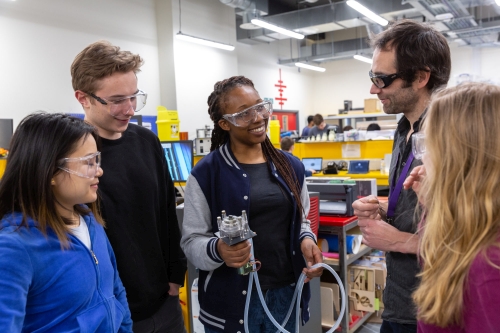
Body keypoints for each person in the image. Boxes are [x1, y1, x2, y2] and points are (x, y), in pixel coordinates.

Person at [180, 76, 322, 333]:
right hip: (231, 302)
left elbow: (302, 220)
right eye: (243, 114)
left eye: (259, 106)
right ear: (225, 124)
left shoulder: (291, 166)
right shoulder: (206, 174)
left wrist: (306, 239)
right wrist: (219, 250)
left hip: (285, 293)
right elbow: (191, 242)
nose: (257, 118)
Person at [71, 41, 187, 333]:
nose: (129, 109)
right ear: (83, 98)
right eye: (116, 100)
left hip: (164, 301)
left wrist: (176, 276)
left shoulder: (146, 141)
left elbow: (166, 213)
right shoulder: (70, 157)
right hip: (110, 311)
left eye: (134, 97)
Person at [351, 19, 451, 333]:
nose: (373, 88)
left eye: (382, 79)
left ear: (421, 77)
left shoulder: (453, 138)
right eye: (372, 76)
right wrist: (385, 209)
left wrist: (402, 241)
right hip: (398, 299)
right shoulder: (403, 128)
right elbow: (424, 209)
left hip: (435, 308)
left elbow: (477, 240)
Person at [0, 113, 132, 332]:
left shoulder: (90, 223)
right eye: (88, 163)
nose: (99, 171)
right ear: (50, 171)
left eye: (97, 160)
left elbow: (116, 292)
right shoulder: (15, 247)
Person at [403, 82, 500, 332]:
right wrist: (435, 203)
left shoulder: (489, 267)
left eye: (429, 143)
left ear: (454, 156)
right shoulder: (472, 232)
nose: (423, 156)